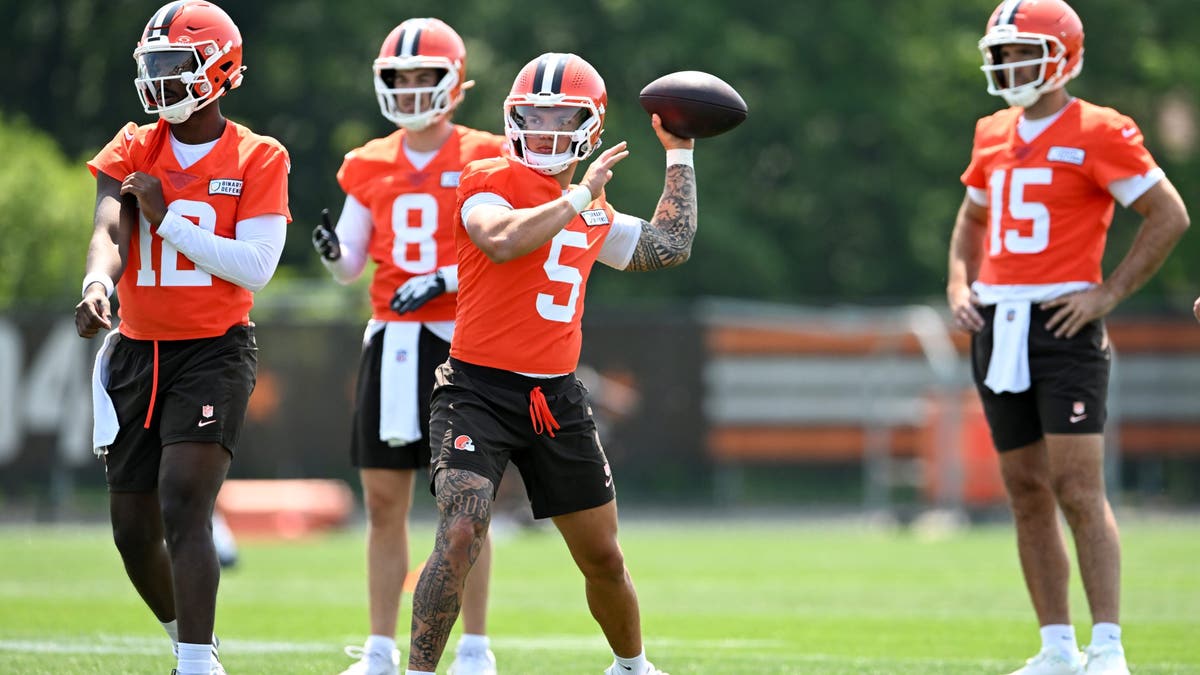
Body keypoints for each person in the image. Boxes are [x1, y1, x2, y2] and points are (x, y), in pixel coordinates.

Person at [404, 51, 697, 675]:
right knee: (462, 527)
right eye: (532, 116)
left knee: (604, 558)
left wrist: (680, 154)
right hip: (475, 390)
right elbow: (503, 239)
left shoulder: (592, 210)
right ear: (512, 119)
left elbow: (670, 246)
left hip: (556, 399)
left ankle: (632, 667)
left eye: (561, 118)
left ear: (589, 126)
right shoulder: (485, 177)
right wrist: (580, 195)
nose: (544, 131)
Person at [946, 2, 1189, 674]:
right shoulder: (991, 131)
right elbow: (970, 221)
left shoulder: (1101, 130)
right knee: (1024, 489)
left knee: (1079, 487)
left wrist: (1109, 292)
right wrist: (959, 288)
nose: (1008, 64)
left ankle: (1107, 645)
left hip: (1064, 322)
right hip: (998, 321)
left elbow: (1168, 214)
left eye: (1023, 51)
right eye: (1002, 52)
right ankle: (1056, 645)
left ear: (1063, 55)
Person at [73, 2, 290, 674]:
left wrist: (168, 222)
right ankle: (190, 642)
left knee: (183, 501)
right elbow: (110, 226)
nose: (161, 80)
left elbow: (256, 264)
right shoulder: (135, 143)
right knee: (132, 530)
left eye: (177, 65)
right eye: (154, 66)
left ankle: (194, 663)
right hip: (137, 349)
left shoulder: (258, 155)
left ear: (220, 70)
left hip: (214, 347)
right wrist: (96, 284)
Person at [311, 18, 504, 675]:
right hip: (392, 344)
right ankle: (380, 648)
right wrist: (335, 253)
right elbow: (350, 262)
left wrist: (442, 279)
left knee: (466, 507)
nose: (414, 88)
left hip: (463, 342)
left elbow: (503, 242)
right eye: (403, 77)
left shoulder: (487, 153)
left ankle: (475, 646)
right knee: (383, 503)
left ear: (457, 85)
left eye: (428, 76)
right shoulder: (368, 161)